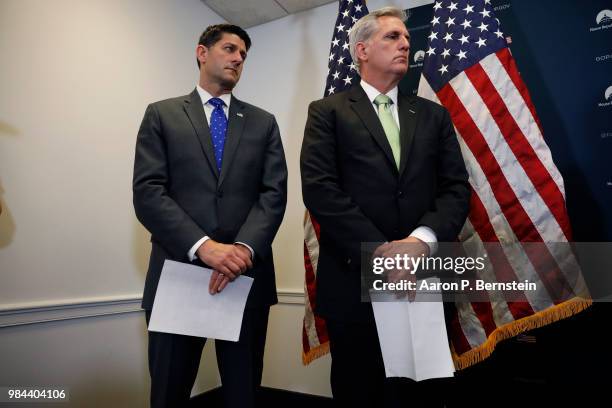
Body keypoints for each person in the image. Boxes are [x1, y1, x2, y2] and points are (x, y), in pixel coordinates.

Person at [300, 7, 470, 407]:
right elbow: (321, 190)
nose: (405, 43)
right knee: (360, 389)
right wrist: (382, 253)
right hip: (352, 281)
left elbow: (455, 189)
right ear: (361, 50)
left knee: (423, 392)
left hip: (425, 278)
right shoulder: (326, 112)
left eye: (406, 38)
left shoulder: (433, 115)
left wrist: (419, 242)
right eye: (392, 37)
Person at [133, 24, 287, 408]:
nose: (238, 58)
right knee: (169, 391)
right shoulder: (161, 114)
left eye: (244, 55)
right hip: (178, 275)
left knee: (243, 392)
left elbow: (274, 194)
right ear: (202, 52)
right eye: (230, 48)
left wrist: (241, 249)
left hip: (245, 275)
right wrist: (205, 248)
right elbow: (148, 193)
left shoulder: (263, 122)